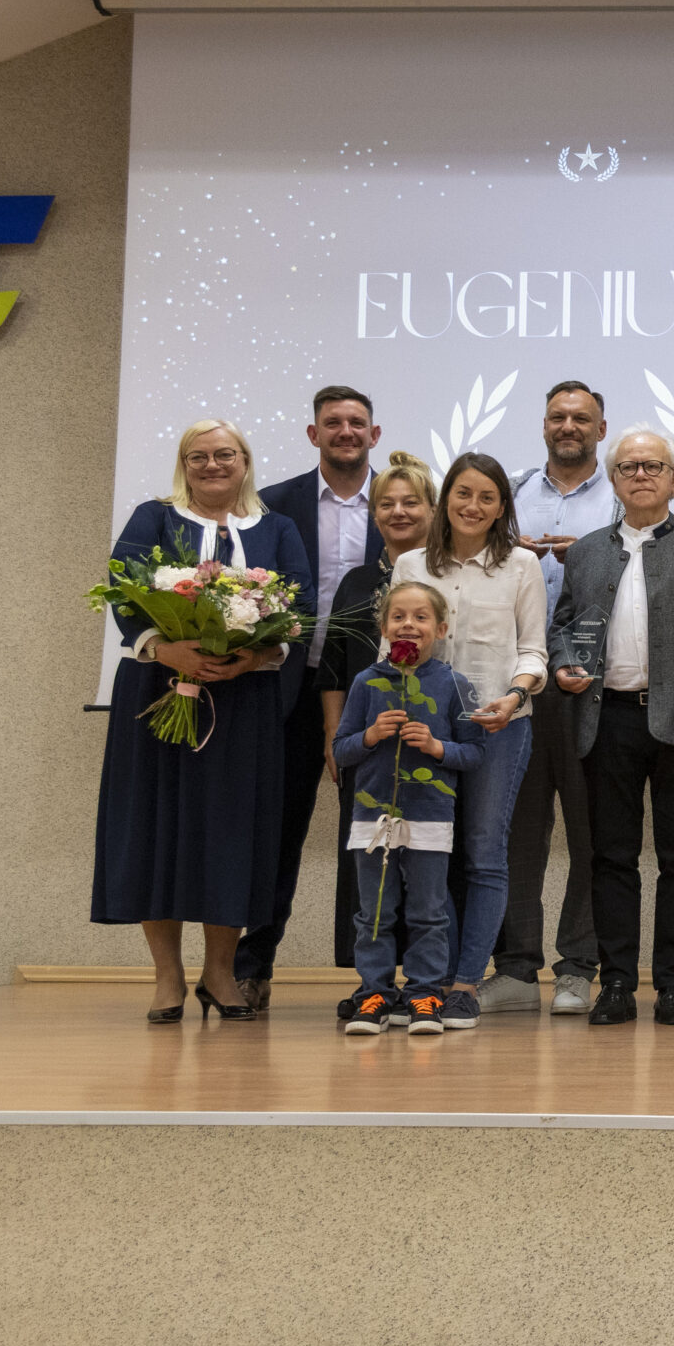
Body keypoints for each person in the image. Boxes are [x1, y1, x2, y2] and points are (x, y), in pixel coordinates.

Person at [92, 418, 314, 1023]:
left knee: (231, 831)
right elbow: (123, 590)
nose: (212, 465)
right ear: (183, 465)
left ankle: (220, 973)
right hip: (158, 689)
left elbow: (300, 605)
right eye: (198, 456)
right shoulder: (153, 517)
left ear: (245, 461)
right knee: (156, 828)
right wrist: (165, 648)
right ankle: (167, 977)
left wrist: (254, 656)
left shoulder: (278, 528)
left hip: (244, 700)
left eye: (224, 454)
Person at [551, 427, 674, 1027]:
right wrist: (563, 662)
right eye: (629, 466)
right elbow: (564, 626)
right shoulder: (585, 551)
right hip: (606, 720)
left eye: (654, 466)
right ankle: (616, 983)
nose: (641, 475)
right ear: (613, 479)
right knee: (611, 858)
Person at [238, 386, 384, 1010]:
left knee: (379, 835)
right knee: (275, 833)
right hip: (286, 691)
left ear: (374, 435)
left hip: (379, 694)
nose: (345, 431)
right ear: (313, 433)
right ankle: (251, 966)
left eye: (356, 422)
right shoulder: (272, 505)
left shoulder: (404, 502)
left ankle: (379, 976)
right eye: (333, 422)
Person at [391, 453, 547, 1029]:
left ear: (502, 507)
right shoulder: (410, 563)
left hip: (498, 725)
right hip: (425, 728)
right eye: (463, 493)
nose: (473, 506)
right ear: (445, 500)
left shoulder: (521, 565)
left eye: (487, 497)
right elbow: (395, 645)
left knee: (484, 853)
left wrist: (515, 695)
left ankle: (465, 984)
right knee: (429, 855)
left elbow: (533, 648)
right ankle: (430, 980)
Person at [497, 381, 621, 1014]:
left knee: (591, 835)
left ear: (601, 429)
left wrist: (593, 560)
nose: (568, 426)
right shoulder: (511, 494)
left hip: (588, 686)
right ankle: (515, 970)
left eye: (581, 417)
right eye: (557, 417)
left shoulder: (622, 496)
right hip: (517, 685)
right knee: (516, 835)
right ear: (544, 425)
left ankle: (577, 968)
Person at [332, 581, 486, 1036]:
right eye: (398, 616)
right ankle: (375, 994)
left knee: (428, 912)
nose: (408, 625)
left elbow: (474, 752)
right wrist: (370, 736)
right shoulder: (366, 682)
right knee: (374, 913)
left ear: (441, 629)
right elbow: (340, 750)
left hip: (430, 815)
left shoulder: (455, 684)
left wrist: (438, 747)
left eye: (421, 617)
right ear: (383, 628)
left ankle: (425, 993)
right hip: (372, 818)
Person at [316, 450, 438, 1020]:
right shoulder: (358, 582)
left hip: (428, 747)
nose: (398, 512)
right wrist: (335, 735)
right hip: (365, 749)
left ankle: (427, 982)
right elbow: (334, 666)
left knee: (429, 868)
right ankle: (373, 983)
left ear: (432, 509)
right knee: (370, 864)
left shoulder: (442, 578)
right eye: (386, 503)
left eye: (411, 502)